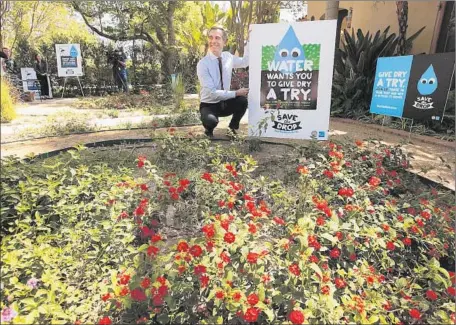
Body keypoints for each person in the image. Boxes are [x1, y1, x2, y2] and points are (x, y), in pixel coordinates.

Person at [197, 26, 250, 138]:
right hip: (209, 104)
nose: (213, 41)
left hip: (225, 102)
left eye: (217, 38)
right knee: (211, 121)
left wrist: (248, 42)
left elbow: (245, 62)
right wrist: (236, 93)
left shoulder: (228, 57)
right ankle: (208, 129)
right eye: (211, 38)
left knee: (242, 101)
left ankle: (232, 129)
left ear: (225, 42)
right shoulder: (203, 64)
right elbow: (212, 92)